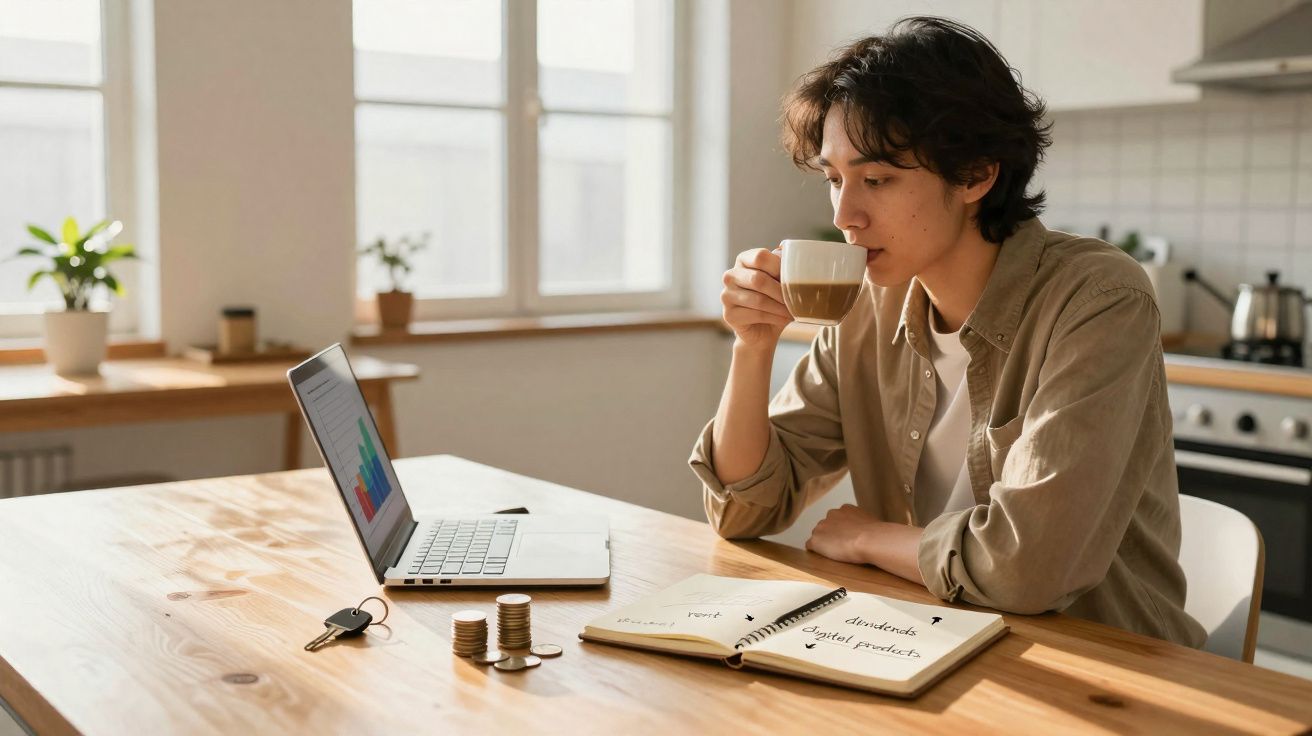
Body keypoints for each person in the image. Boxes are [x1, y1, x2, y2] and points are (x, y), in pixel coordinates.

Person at [688, 16, 1206, 647]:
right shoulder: (868, 305)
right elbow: (745, 509)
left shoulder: (1098, 299)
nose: (844, 215)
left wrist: (872, 537)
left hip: (1099, 663)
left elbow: (1027, 569)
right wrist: (754, 344)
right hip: (928, 639)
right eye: (833, 179)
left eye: (876, 180)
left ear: (975, 176)